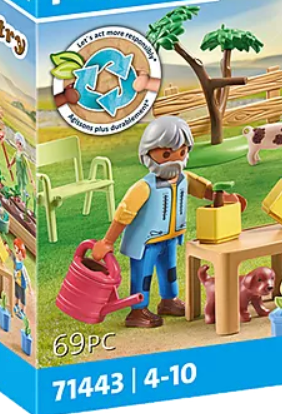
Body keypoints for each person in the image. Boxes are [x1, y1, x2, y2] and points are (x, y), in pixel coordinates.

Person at [90, 116, 246, 328]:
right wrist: (107, 241)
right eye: (166, 154)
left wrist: (226, 197)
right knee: (143, 276)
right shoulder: (144, 187)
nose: (175, 159)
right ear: (148, 153)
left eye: (181, 152)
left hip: (170, 238)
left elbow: (206, 190)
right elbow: (124, 214)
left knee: (169, 271)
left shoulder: (184, 179)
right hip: (145, 243)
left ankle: (169, 300)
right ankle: (137, 310)